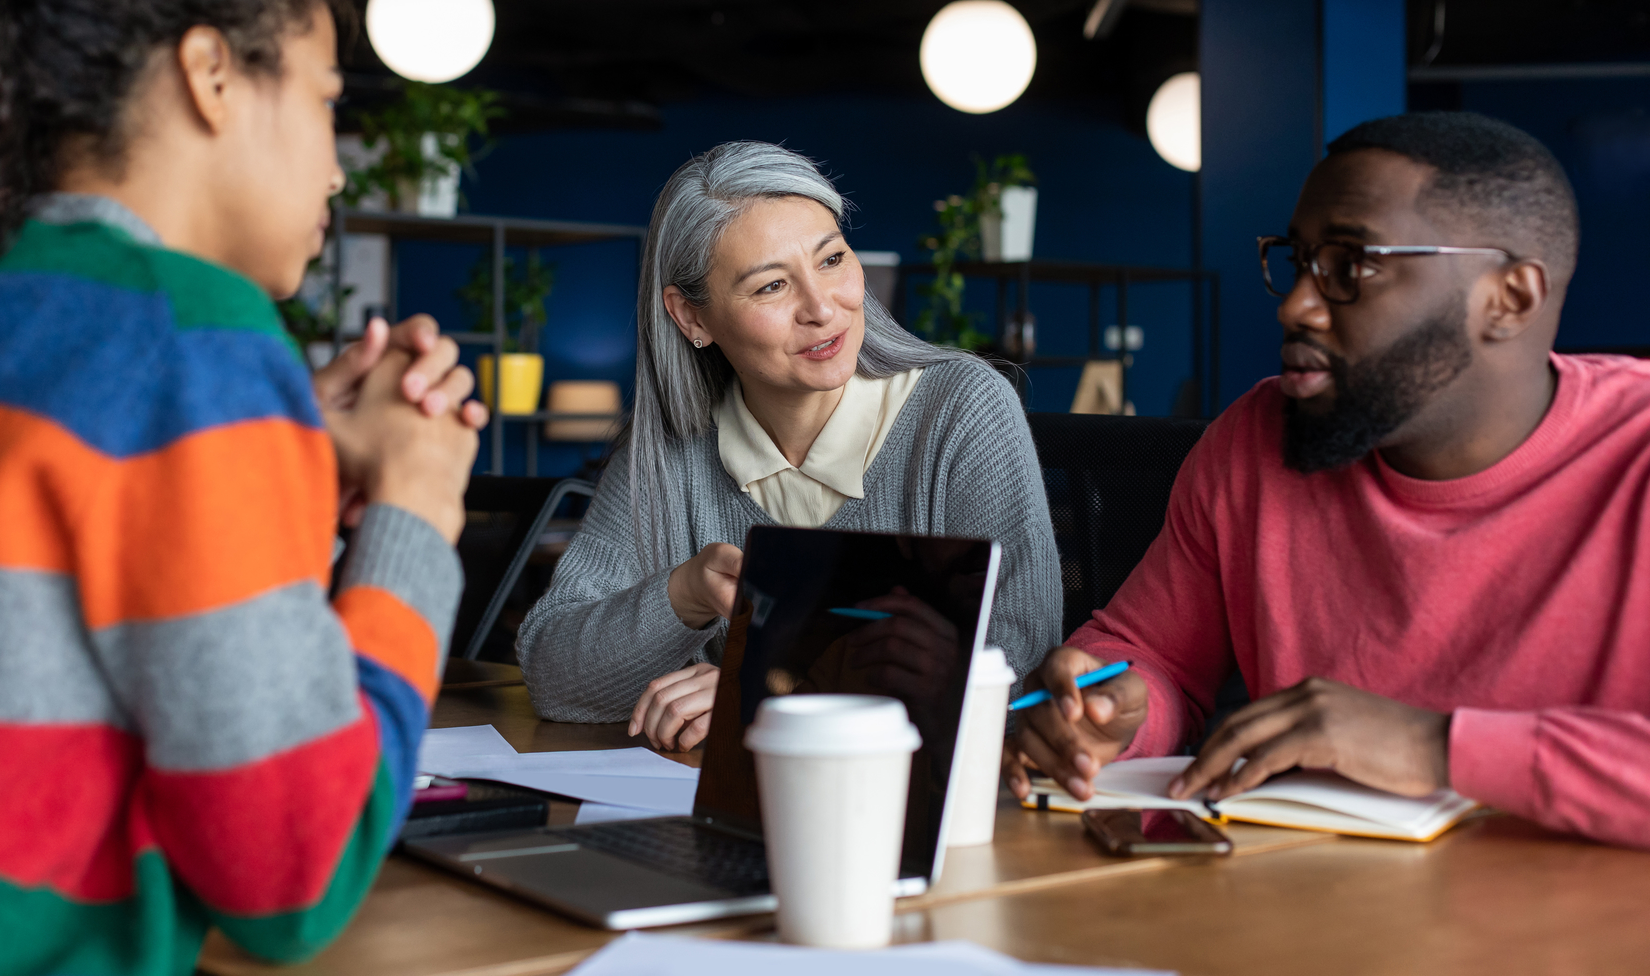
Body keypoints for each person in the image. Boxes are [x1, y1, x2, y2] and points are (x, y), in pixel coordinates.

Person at [0, 0, 484, 973]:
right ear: (210, 73)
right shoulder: (193, 338)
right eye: (327, 100)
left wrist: (289, 466)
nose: (335, 169)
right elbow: (291, 875)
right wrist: (415, 516)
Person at [1004, 110, 1650, 850]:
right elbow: (1151, 654)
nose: (1295, 304)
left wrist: (1433, 747)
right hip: (1306, 915)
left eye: (1350, 266)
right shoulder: (1256, 437)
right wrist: (1107, 711)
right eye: (1297, 259)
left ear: (1508, 298)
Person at [517, 141, 1061, 748]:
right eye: (772, 286)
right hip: (733, 814)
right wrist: (685, 594)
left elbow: (1021, 669)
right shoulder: (670, 456)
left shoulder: (964, 409)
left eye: (832, 259)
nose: (823, 307)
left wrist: (768, 695)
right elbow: (552, 678)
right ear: (691, 317)